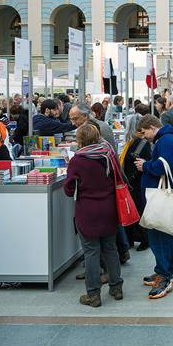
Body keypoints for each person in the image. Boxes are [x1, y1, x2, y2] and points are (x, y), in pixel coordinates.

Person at [63, 123, 124, 308]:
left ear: (80, 139)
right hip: (108, 208)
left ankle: (93, 294)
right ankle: (116, 287)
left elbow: (69, 189)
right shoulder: (108, 155)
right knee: (110, 249)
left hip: (87, 211)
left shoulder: (77, 160)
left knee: (91, 252)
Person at [134, 114, 173, 300]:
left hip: (160, 197)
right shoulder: (167, 139)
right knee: (157, 234)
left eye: (144, 132)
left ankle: (166, 275)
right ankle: (161, 269)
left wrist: (145, 165)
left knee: (161, 235)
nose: (144, 137)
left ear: (152, 127)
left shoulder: (165, 141)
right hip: (159, 196)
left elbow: (162, 167)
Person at [122, 118, 152, 252]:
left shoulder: (139, 142)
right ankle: (132, 238)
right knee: (132, 210)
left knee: (137, 210)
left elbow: (140, 161)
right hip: (134, 182)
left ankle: (144, 239)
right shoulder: (137, 142)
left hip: (136, 183)